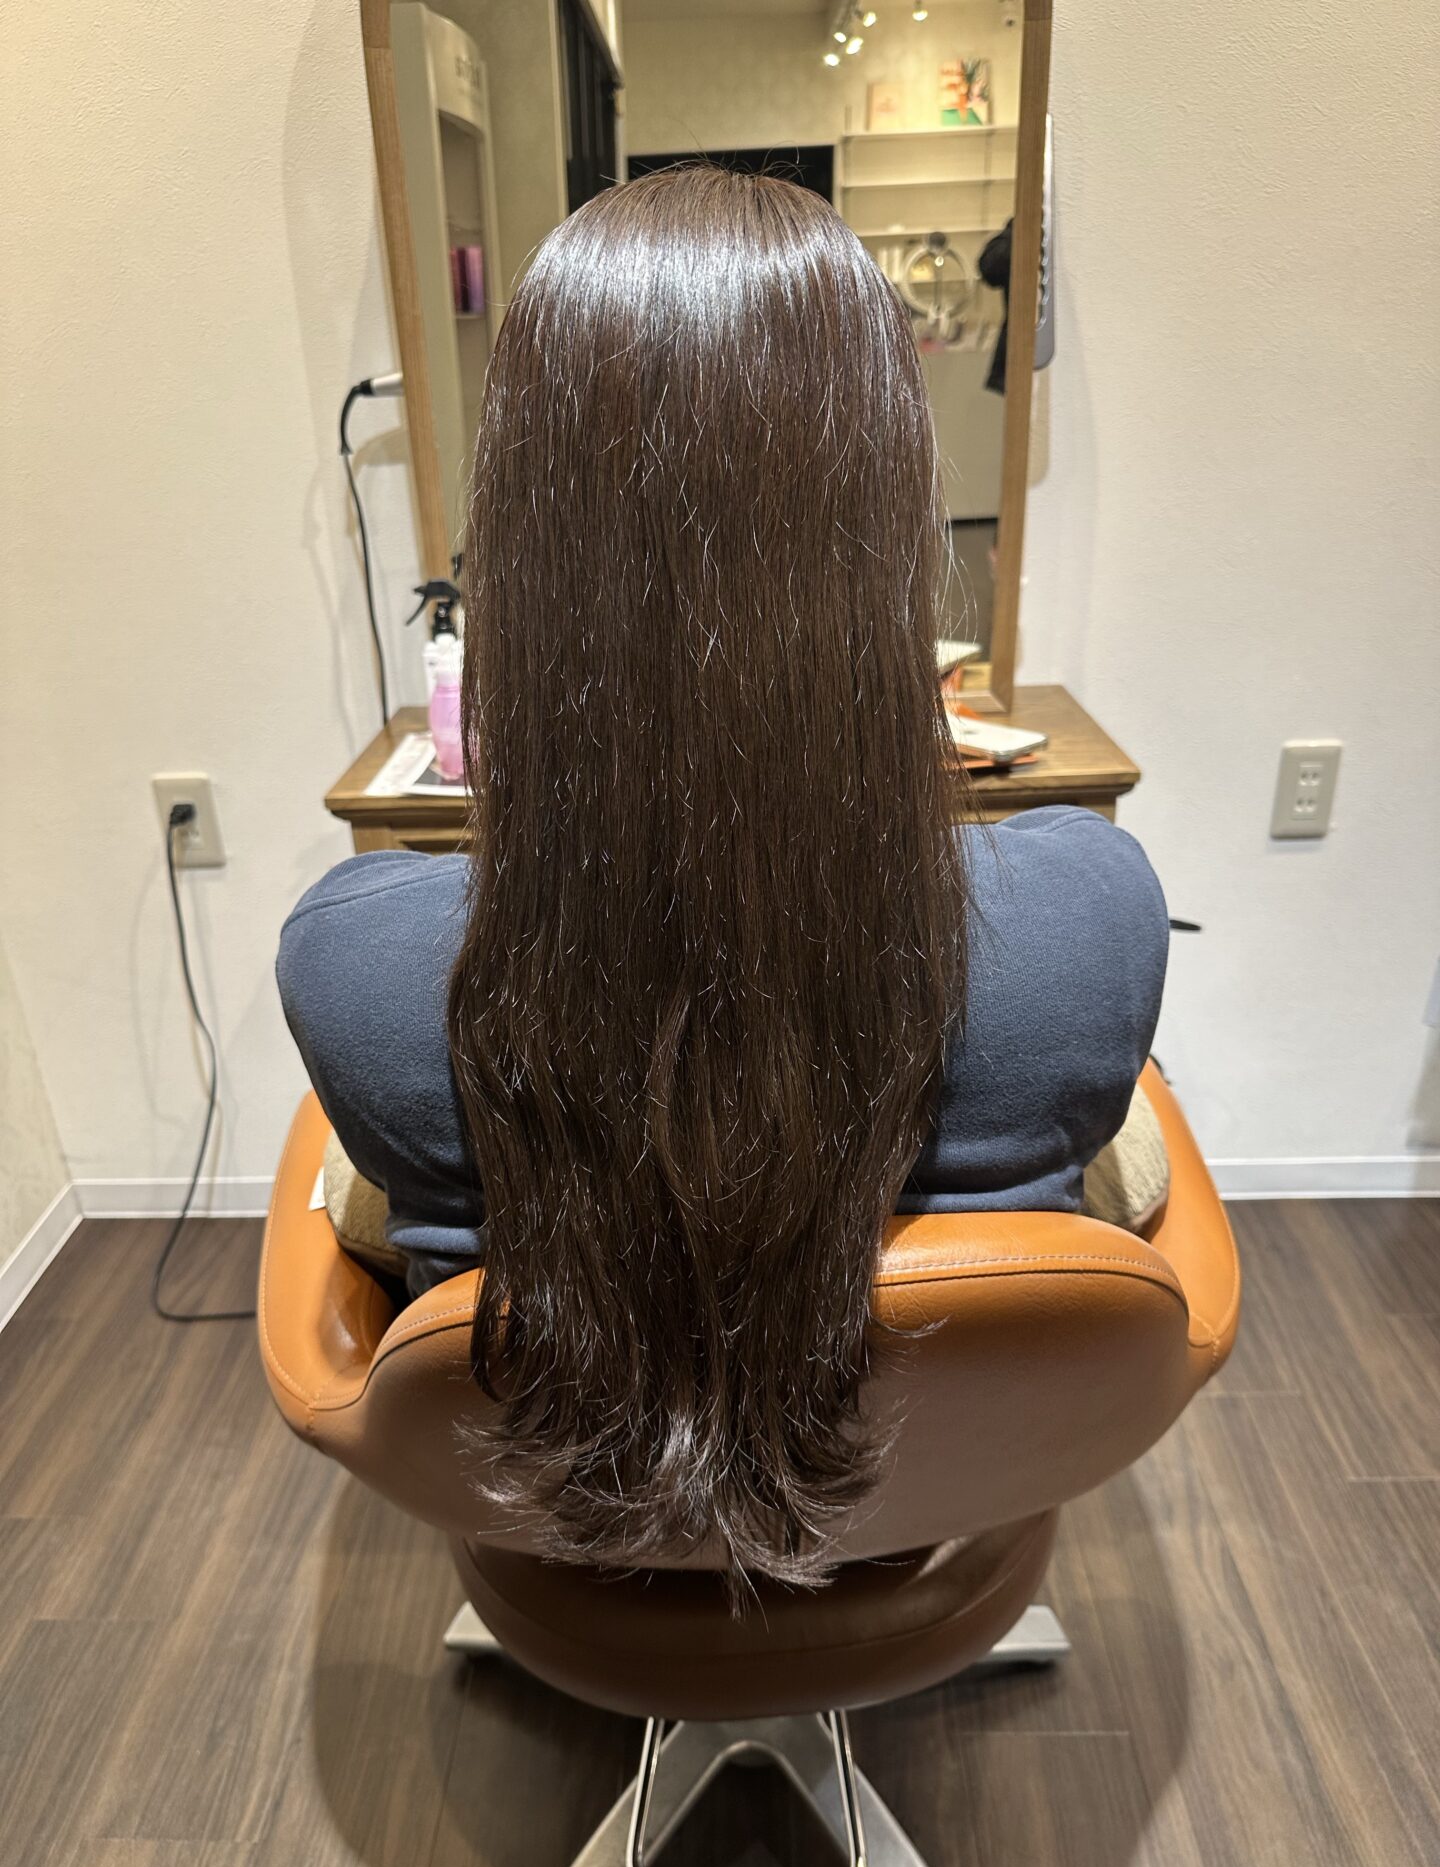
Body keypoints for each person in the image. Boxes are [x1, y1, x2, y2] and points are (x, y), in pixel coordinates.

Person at [278, 168, 1167, 1585]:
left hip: (564, 1549)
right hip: (919, 1534)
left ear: (524, 548)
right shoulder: (1090, 914)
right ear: (886, 525)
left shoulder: (355, 964)